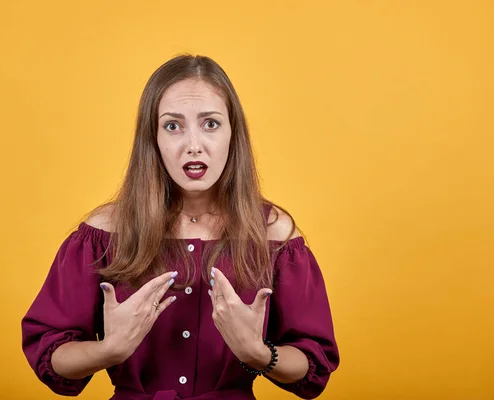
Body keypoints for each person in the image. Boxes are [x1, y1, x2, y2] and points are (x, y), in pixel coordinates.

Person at [21, 54, 339, 399]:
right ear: (152, 138)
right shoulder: (102, 233)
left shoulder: (274, 235)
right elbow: (51, 356)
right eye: (173, 126)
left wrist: (259, 354)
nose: (193, 145)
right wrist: (108, 349)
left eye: (211, 124)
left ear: (234, 134)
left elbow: (312, 367)